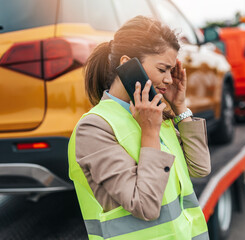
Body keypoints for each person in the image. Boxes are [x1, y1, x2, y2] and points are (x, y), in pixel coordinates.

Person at [67, 16, 211, 240]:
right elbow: (145, 206)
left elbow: (200, 168)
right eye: (163, 69)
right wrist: (150, 133)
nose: (169, 80)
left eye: (171, 71)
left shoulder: (155, 114)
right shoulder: (94, 128)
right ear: (127, 64)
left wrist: (180, 106)